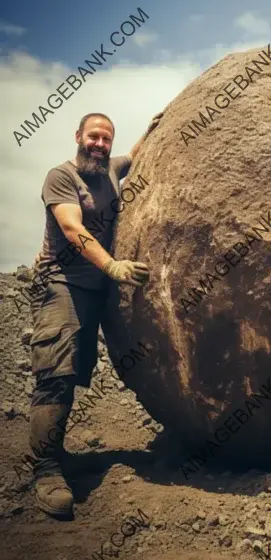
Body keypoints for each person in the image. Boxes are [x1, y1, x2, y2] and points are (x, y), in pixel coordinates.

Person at [27, 111, 163, 518]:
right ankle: (46, 469)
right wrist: (113, 267)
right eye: (93, 137)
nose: (99, 145)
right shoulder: (62, 176)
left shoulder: (110, 170)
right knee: (58, 370)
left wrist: (156, 127)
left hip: (99, 289)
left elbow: (134, 155)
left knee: (91, 363)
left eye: (106, 139)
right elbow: (72, 229)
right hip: (61, 282)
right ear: (78, 136)